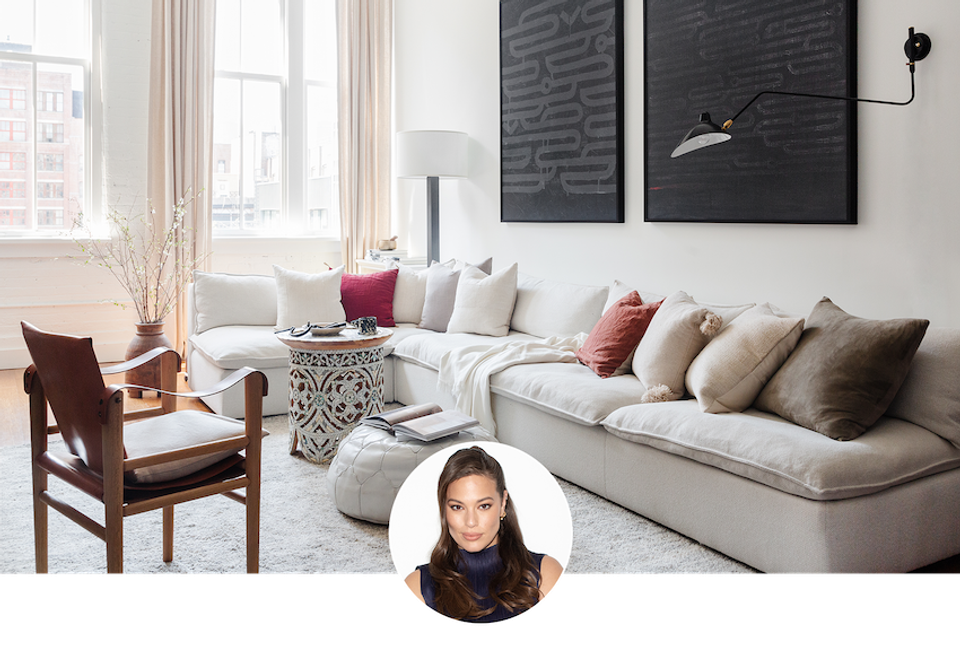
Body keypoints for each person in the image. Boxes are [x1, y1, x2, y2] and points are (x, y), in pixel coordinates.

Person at [404, 445, 563, 623]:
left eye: (483, 506)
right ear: (444, 509)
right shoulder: (417, 586)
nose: (471, 521)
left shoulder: (544, 574)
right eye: (457, 507)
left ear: (502, 504)